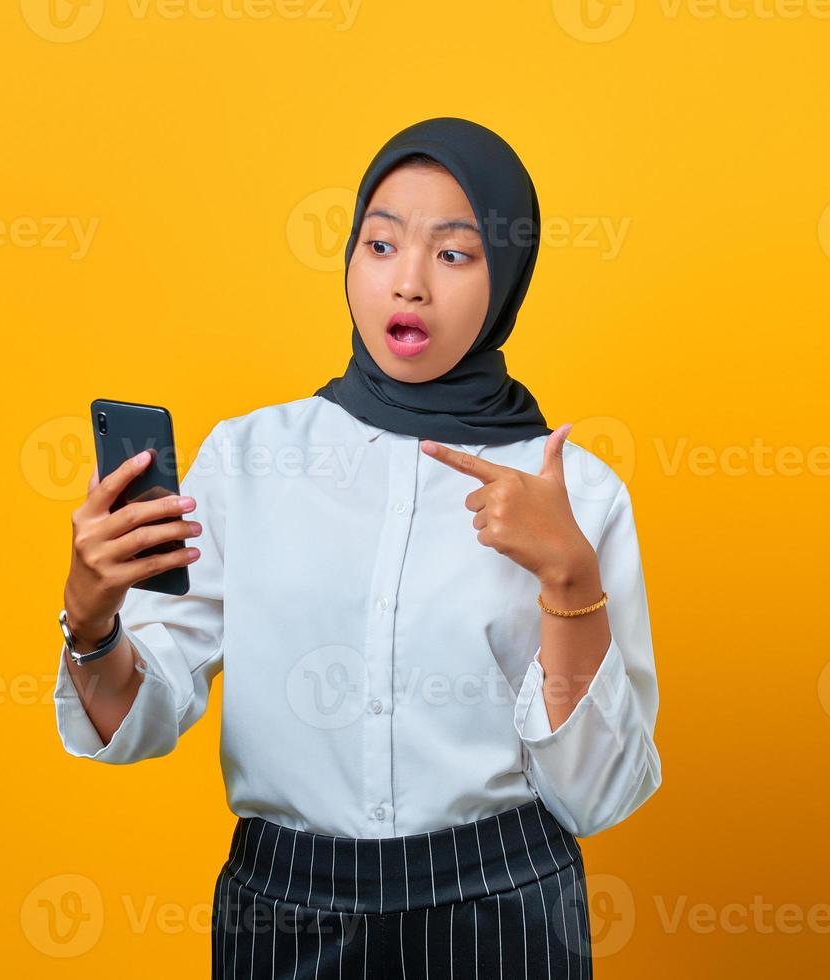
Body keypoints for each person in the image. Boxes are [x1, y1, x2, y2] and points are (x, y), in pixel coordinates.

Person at [53, 116, 661, 978]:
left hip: (503, 909)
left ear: (509, 276)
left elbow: (600, 795)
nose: (407, 283)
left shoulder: (577, 494)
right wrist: (91, 617)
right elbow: (135, 722)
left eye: (454, 254)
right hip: (286, 912)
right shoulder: (250, 459)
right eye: (381, 245)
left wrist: (569, 576)